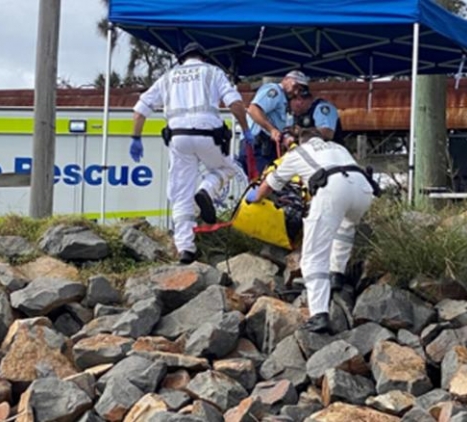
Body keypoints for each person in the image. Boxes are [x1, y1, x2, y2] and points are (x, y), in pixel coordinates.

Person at [129, 42, 254, 265]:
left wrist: (136, 138)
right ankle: (206, 190)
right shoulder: (212, 72)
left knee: (180, 192)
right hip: (209, 135)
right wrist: (245, 129)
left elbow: (139, 111)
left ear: (182, 59)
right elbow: (235, 103)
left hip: (178, 139)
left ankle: (185, 249)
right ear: (203, 57)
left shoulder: (168, 77)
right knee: (226, 169)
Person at [245, 128, 378, 333]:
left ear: (301, 141)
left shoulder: (297, 153)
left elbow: (271, 184)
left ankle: (319, 314)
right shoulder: (337, 147)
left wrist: (256, 197)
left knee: (313, 257)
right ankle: (336, 274)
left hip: (332, 189)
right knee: (346, 226)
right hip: (363, 190)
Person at [239, 70, 309, 176]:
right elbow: (253, 110)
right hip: (258, 146)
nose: (296, 92)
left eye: (300, 90)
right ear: (286, 79)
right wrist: (272, 130)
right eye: (295, 86)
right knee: (261, 182)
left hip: (267, 148)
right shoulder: (274, 91)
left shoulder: (285, 100)